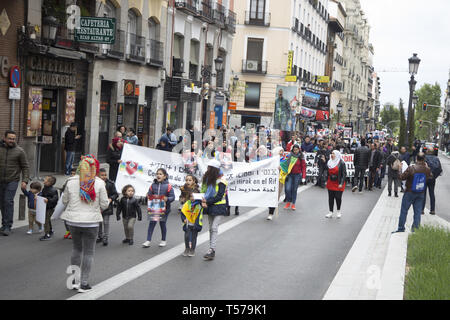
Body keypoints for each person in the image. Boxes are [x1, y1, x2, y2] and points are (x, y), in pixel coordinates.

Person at [61, 155, 109, 293]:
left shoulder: (70, 182)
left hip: (73, 221)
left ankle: (74, 281)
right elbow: (104, 205)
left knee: (76, 249)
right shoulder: (99, 182)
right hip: (91, 223)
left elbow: (64, 201)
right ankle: (84, 283)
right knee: (89, 252)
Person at [392, 152, 431, 233]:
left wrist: (399, 169)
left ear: (416, 158)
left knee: (404, 210)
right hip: (420, 193)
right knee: (417, 212)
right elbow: (430, 177)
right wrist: (427, 167)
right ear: (424, 159)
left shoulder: (411, 168)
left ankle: (401, 228)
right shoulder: (427, 169)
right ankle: (415, 230)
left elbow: (401, 177)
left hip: (409, 192)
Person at [0, 130, 30, 235]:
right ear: (4, 138)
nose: (12, 140)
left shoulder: (19, 151)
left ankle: (8, 226)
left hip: (12, 180)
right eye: (10, 138)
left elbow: (25, 167)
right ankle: (4, 225)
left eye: (13, 138)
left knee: (8, 201)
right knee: (2, 203)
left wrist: (25, 180)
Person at [200, 159, 228, 261]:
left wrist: (206, 202)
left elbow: (219, 196)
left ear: (214, 169)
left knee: (214, 228)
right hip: (210, 206)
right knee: (211, 228)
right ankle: (211, 249)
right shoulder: (207, 178)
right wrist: (202, 200)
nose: (207, 169)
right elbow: (203, 191)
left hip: (219, 206)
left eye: (209, 168)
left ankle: (212, 249)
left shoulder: (222, 180)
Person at [142, 168, 175, 248]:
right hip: (155, 206)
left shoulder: (168, 186)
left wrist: (167, 199)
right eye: (157, 174)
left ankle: (163, 240)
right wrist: (148, 195)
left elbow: (173, 197)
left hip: (165, 208)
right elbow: (149, 194)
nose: (158, 175)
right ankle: (148, 240)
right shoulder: (153, 185)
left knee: (162, 223)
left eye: (160, 174)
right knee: (152, 223)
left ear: (165, 176)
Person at [281, 144, 306, 211]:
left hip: (297, 175)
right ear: (292, 150)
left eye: (297, 150)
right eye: (294, 150)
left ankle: (293, 204)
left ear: (299, 150)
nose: (295, 151)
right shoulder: (289, 155)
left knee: (294, 189)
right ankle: (288, 201)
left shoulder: (301, 156)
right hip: (289, 174)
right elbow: (283, 163)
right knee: (287, 189)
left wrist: (303, 177)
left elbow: (304, 167)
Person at [97, 168, 118, 246]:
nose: (104, 176)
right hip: (98, 206)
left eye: (105, 175)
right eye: (102, 175)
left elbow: (115, 194)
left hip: (107, 206)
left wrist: (110, 199)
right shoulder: (95, 183)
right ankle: (100, 236)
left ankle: (105, 238)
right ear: (98, 176)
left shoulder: (110, 183)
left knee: (106, 222)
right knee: (99, 222)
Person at [180, 189, 204, 257]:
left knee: (194, 237)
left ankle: (192, 249)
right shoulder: (187, 203)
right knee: (187, 236)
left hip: (195, 224)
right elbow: (183, 212)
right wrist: (183, 219)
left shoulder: (200, 204)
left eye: (194, 197)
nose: (192, 198)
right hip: (188, 223)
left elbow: (202, 211)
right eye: (191, 196)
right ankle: (187, 248)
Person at [325, 150, 347, 219]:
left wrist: (341, 183)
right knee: (330, 198)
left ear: (337, 155)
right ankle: (330, 212)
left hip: (338, 183)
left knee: (338, 197)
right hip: (330, 182)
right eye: (331, 153)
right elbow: (326, 171)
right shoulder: (329, 162)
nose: (332, 155)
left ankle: (338, 211)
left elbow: (344, 174)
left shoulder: (342, 163)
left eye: (333, 154)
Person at [422, 147, 442, 215]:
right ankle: (432, 210)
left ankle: (422, 209)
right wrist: (434, 176)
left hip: (424, 178)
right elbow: (439, 169)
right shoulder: (436, 159)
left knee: (423, 194)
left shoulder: (424, 158)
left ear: (427, 151)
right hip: (432, 179)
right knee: (432, 194)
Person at [38, 176, 59, 241]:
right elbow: (43, 194)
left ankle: (47, 234)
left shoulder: (53, 190)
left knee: (45, 221)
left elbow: (55, 199)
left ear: (49, 183)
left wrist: (48, 200)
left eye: (45, 179)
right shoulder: (45, 188)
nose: (44, 179)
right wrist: (39, 196)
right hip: (45, 207)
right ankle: (50, 230)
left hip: (50, 208)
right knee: (47, 219)